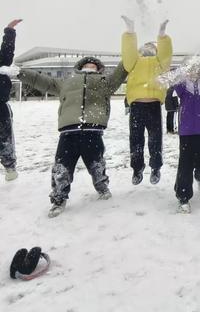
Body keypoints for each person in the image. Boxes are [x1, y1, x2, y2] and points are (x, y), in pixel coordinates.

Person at [14, 57, 127, 217]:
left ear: (98, 69)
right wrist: (20, 73)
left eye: (93, 65)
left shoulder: (105, 82)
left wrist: (133, 53)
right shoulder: (67, 81)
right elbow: (44, 81)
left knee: (97, 163)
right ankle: (58, 200)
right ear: (80, 67)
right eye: (87, 65)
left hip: (92, 130)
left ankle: (102, 186)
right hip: (69, 131)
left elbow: (120, 72)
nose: (90, 67)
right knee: (62, 167)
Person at [121, 16, 172, 186]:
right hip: (137, 106)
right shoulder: (134, 61)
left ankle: (156, 167)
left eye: (153, 46)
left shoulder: (160, 63)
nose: (149, 48)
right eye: (146, 46)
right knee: (136, 139)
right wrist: (130, 31)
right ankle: (137, 168)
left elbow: (166, 54)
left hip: (154, 106)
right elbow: (128, 54)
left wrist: (162, 35)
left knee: (155, 139)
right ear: (141, 49)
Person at [172, 61, 200, 213]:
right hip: (187, 131)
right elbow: (175, 78)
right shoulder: (183, 86)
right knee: (185, 164)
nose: (194, 72)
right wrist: (181, 69)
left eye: (198, 68)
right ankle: (183, 198)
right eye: (191, 69)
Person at [0, 19, 22, 181]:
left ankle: (10, 168)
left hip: (0, 106)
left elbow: (6, 54)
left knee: (5, 138)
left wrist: (9, 31)